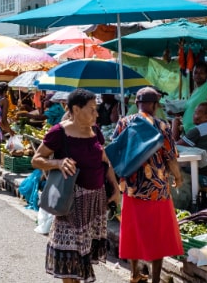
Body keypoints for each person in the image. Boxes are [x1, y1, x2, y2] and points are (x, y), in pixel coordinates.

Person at [31, 89, 120, 283]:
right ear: (76, 110)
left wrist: (115, 187)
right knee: (68, 255)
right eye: (92, 110)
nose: (96, 114)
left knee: (83, 254)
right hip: (70, 202)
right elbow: (36, 159)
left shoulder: (95, 131)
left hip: (95, 201)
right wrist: (57, 163)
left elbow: (104, 160)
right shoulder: (59, 132)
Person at [114, 87, 184, 283]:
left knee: (133, 231)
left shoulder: (124, 123)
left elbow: (116, 152)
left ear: (137, 104)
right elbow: (170, 157)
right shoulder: (162, 126)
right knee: (157, 234)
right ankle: (154, 279)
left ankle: (135, 273)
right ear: (154, 105)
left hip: (131, 187)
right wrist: (178, 177)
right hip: (157, 189)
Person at [176, 102, 207, 189]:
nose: (193, 115)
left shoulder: (199, 130)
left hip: (204, 177)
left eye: (197, 113)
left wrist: (174, 125)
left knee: (174, 171)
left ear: (206, 117)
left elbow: (174, 148)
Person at [180, 61, 207, 134]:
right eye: (195, 72)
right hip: (188, 130)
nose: (198, 75)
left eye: (201, 73)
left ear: (206, 74)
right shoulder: (195, 90)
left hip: (200, 131)